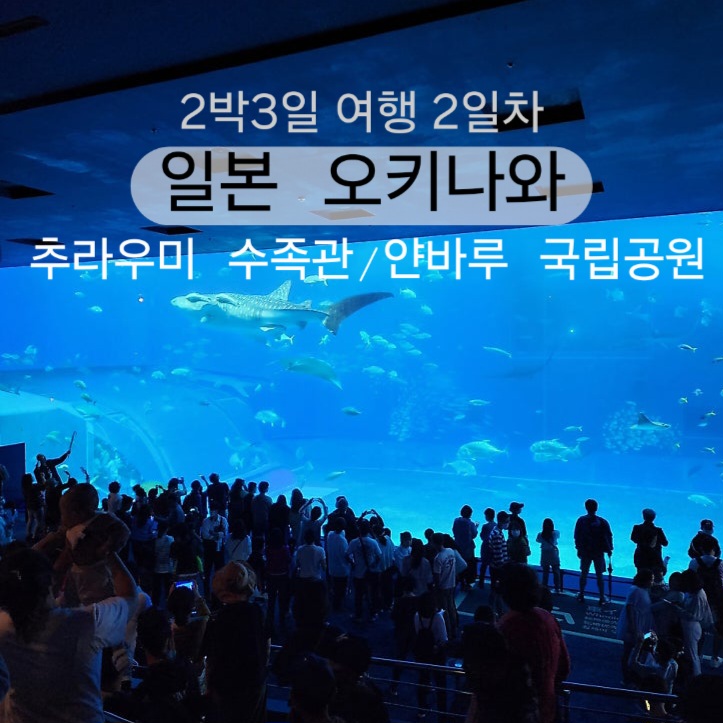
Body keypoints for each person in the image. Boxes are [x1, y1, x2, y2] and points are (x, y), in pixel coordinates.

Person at [0, 548, 136, 723]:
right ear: (51, 581)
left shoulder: (3, 626)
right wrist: (109, 551)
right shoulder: (85, 624)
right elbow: (130, 597)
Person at [497, 563, 570, 723]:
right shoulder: (548, 619)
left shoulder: (504, 627)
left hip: (512, 712)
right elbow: (564, 667)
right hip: (547, 707)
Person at [204, 561, 269, 723]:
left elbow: (213, 657)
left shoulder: (221, 619)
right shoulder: (257, 611)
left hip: (229, 690)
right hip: (256, 684)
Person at [616, 568, 655, 686]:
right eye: (651, 580)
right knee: (628, 651)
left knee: (635, 651)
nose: (652, 582)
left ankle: (631, 676)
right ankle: (626, 677)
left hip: (641, 626)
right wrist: (634, 628)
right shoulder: (635, 590)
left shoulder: (643, 590)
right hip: (635, 626)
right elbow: (630, 608)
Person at [574, 498, 613, 606]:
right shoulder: (602, 521)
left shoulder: (581, 520)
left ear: (586, 508)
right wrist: (609, 549)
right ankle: (601, 597)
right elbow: (608, 536)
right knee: (599, 575)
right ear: (596, 508)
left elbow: (577, 535)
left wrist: (578, 548)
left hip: (585, 551)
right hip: (598, 552)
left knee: (584, 573)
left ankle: (581, 594)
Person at [630, 508, 669, 577]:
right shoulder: (658, 531)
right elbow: (665, 543)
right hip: (655, 558)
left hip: (641, 557)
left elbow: (633, 538)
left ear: (644, 516)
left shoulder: (637, 528)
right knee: (653, 577)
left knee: (641, 576)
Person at [453, 505, 479, 589]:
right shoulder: (470, 523)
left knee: (460, 563)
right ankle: (468, 582)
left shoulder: (456, 521)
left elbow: (454, 530)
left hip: (458, 546)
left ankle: (460, 580)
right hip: (468, 548)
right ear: (470, 514)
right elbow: (474, 534)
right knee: (469, 565)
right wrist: (476, 527)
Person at [536, 518, 562, 593]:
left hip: (544, 554)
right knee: (556, 571)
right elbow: (558, 536)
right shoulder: (555, 533)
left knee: (545, 572)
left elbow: (537, 540)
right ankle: (557, 588)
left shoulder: (540, 534)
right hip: (553, 553)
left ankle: (544, 588)